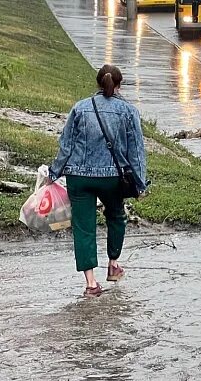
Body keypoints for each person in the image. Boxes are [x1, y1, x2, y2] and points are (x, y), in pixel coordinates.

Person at [48, 64, 148, 297]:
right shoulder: (128, 111)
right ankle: (113, 264)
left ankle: (91, 284)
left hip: (78, 177)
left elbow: (66, 145)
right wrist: (140, 183)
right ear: (119, 85)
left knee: (83, 227)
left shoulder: (80, 108)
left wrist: (54, 173)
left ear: (98, 83)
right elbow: (136, 152)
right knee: (116, 216)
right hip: (113, 178)